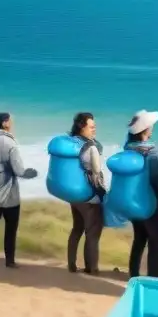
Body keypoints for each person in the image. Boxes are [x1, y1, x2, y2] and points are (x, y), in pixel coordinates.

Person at [0, 112, 38, 268]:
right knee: (11, 226)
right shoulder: (9, 142)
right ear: (5, 123)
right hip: (7, 192)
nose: (12, 123)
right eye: (10, 121)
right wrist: (30, 173)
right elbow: (18, 169)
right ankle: (9, 260)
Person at [124, 110, 158, 277]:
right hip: (151, 201)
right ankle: (155, 279)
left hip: (133, 201)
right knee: (156, 243)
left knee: (139, 239)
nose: (152, 128)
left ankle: (133, 276)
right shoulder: (153, 153)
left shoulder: (128, 148)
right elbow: (156, 183)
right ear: (146, 129)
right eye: (151, 126)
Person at [67, 112, 106, 275]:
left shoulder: (72, 143)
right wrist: (104, 191)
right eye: (91, 126)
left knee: (77, 229)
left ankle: (71, 264)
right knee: (93, 233)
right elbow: (96, 171)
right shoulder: (91, 147)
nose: (94, 129)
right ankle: (92, 268)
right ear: (82, 127)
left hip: (74, 194)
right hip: (89, 196)